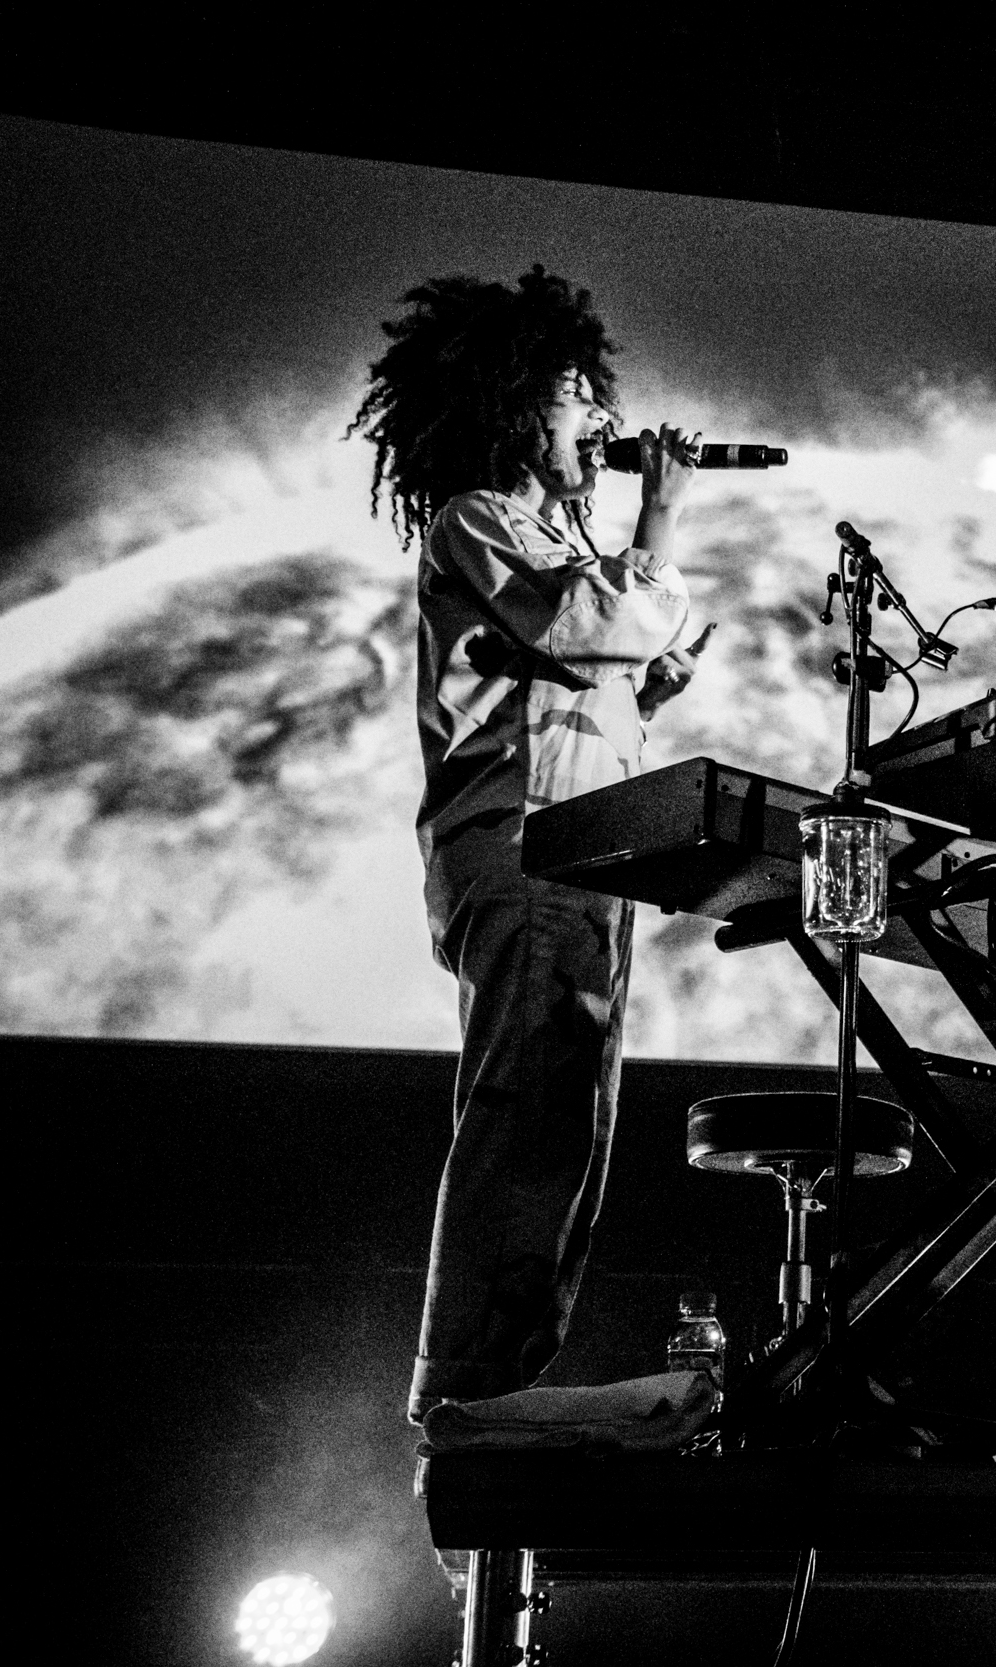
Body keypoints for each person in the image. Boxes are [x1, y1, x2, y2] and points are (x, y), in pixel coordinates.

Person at [349, 266, 713, 1428]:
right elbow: (587, 619)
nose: (600, 424)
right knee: (525, 1112)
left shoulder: (541, 537)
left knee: (569, 1119)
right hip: (525, 848)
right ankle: (462, 1397)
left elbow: (585, 667)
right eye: (572, 398)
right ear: (512, 407)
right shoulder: (477, 518)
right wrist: (658, 522)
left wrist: (642, 692)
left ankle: (500, 1389)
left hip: (582, 849)